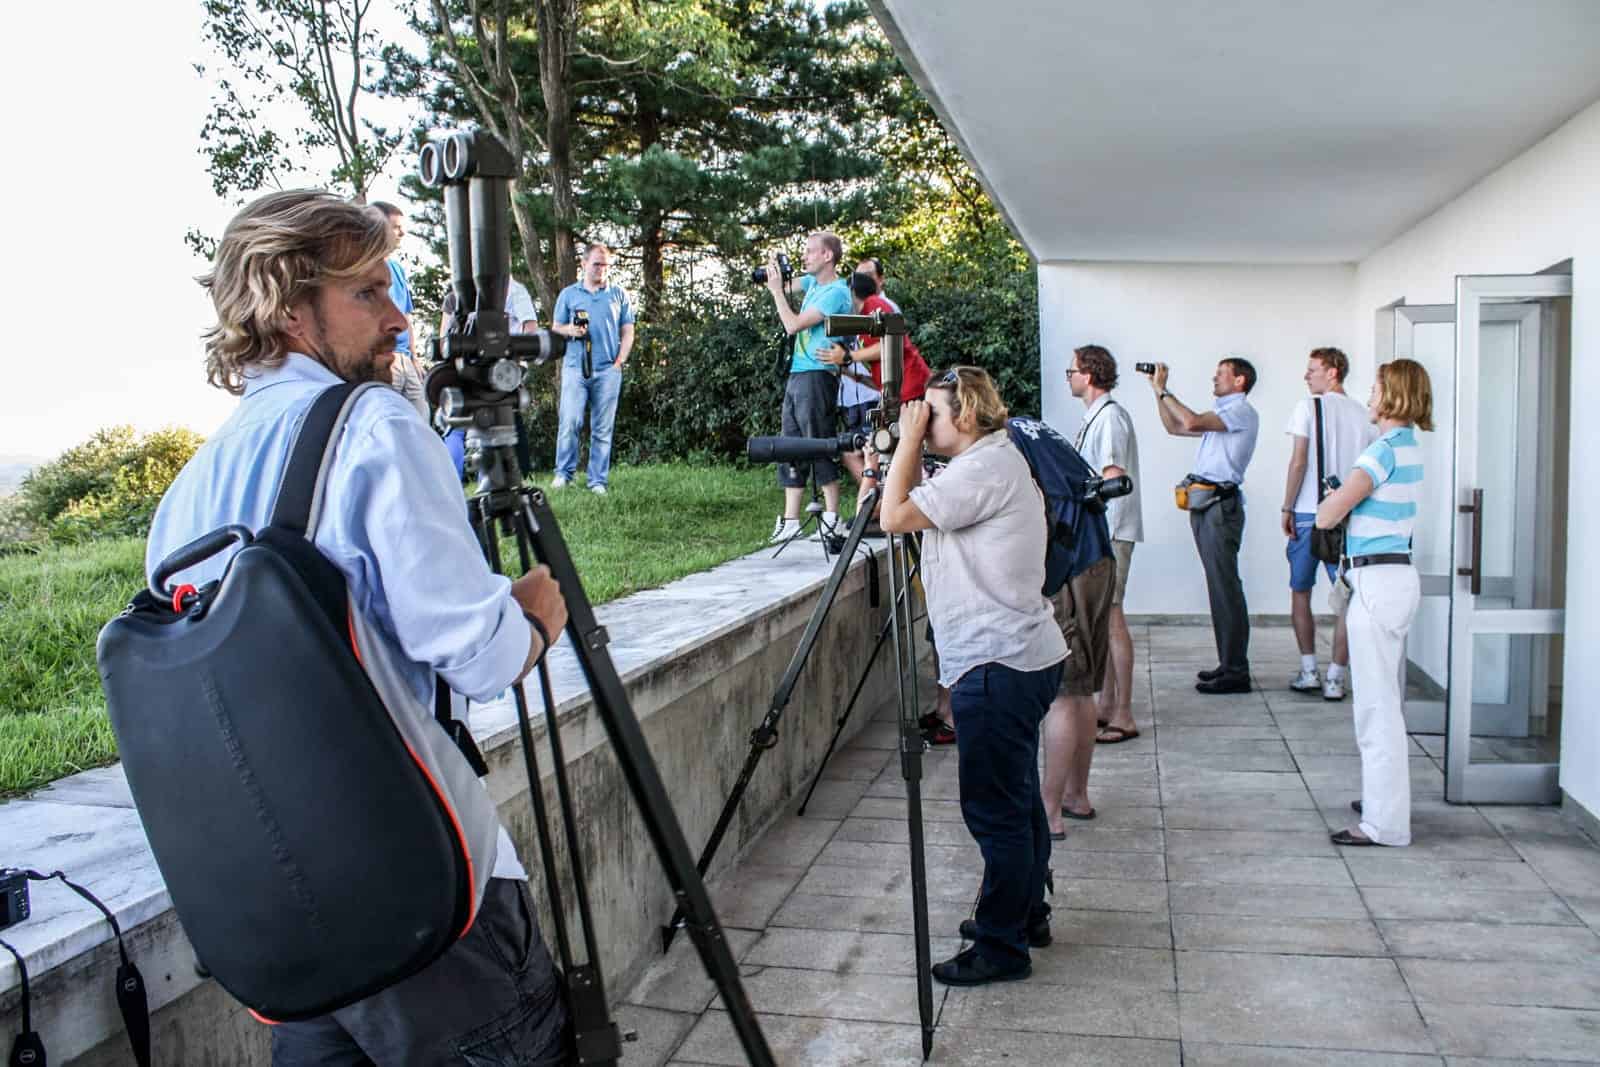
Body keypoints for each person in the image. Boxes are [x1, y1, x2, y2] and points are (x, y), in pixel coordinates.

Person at [151, 189, 571, 1064]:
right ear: (291, 307)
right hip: (427, 913)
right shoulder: (373, 426)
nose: (398, 316)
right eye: (369, 293)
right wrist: (537, 606)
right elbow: (482, 654)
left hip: (290, 919)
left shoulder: (185, 493)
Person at [877, 366, 1068, 987]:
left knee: (996, 812)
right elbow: (915, 505)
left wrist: (905, 445)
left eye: (928, 412)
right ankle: (1025, 913)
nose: (920, 422)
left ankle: (1001, 946)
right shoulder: (987, 462)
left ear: (962, 415)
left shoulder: (985, 469)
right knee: (1018, 802)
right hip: (1019, 655)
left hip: (998, 662)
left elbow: (894, 517)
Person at [1316, 359, 1432, 848]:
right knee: (1384, 701)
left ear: (1393, 395)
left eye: (1376, 386)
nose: (1369, 393)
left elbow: (1326, 516)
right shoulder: (1409, 448)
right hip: (1395, 576)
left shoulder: (1381, 452)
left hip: (1378, 581)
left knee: (1376, 708)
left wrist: (1338, 496)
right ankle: (1384, 800)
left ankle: (1384, 824)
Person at [1144, 358, 1260, 693]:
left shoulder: (1240, 411)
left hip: (1219, 506)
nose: (1214, 377)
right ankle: (1229, 664)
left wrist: (1164, 389)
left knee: (1225, 587)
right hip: (1206, 503)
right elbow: (1175, 427)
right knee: (1219, 586)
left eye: (1221, 373)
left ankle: (1236, 670)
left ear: (1239, 381)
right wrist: (1157, 393)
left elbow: (1191, 421)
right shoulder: (1225, 413)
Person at [1282, 346, 1374, 700]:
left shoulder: (1308, 407)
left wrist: (1287, 506)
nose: (1307, 376)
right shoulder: (1365, 415)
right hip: (1349, 515)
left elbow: (1298, 461)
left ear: (1333, 371)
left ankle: (1309, 671)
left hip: (1308, 512)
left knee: (1300, 591)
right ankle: (1336, 677)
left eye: (1313, 370)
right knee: (1347, 597)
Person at [1068, 344, 1143, 745]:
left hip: (1110, 530)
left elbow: (1112, 478)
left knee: (1112, 619)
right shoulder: (1098, 416)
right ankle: (1108, 704)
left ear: (1090, 374)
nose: (1070, 377)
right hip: (1103, 531)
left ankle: (1125, 713)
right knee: (1104, 619)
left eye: (1073, 370)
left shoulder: (1110, 418)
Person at [764, 232, 852, 543]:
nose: (805, 256)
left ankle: (830, 517)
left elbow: (792, 325)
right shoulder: (814, 285)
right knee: (791, 445)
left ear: (828, 256)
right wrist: (777, 273)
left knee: (819, 443)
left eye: (811, 252)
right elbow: (788, 285)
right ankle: (790, 520)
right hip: (799, 373)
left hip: (817, 375)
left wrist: (777, 292)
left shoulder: (835, 292)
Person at [821, 271, 931, 490]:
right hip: (895, 393)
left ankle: (903, 501)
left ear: (853, 292)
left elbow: (893, 342)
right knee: (870, 451)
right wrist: (851, 373)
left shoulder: (876, 304)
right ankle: (879, 502)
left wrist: (849, 357)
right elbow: (880, 370)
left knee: (903, 449)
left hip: (910, 388)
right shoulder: (863, 324)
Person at [550, 244, 635, 494]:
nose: (601, 269)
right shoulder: (568, 294)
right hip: (576, 368)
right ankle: (563, 474)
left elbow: (628, 331)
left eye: (605, 264)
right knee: (571, 421)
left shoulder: (618, 294)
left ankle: (597, 481)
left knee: (602, 427)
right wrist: (571, 330)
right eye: (597, 264)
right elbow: (555, 327)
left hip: (608, 369)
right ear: (584, 264)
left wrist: (620, 361)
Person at [438, 280, 540, 480]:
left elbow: (445, 340)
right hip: (492, 369)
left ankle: (469, 481)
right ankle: (496, 477)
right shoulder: (508, 291)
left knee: (464, 424)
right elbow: (531, 328)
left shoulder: (456, 297)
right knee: (488, 423)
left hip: (483, 367)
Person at [369, 201, 427, 420]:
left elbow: (406, 316)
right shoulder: (366, 271)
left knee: (421, 419)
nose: (402, 232)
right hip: (385, 360)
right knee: (389, 420)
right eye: (396, 227)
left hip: (405, 358)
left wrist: (414, 356)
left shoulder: (397, 269)